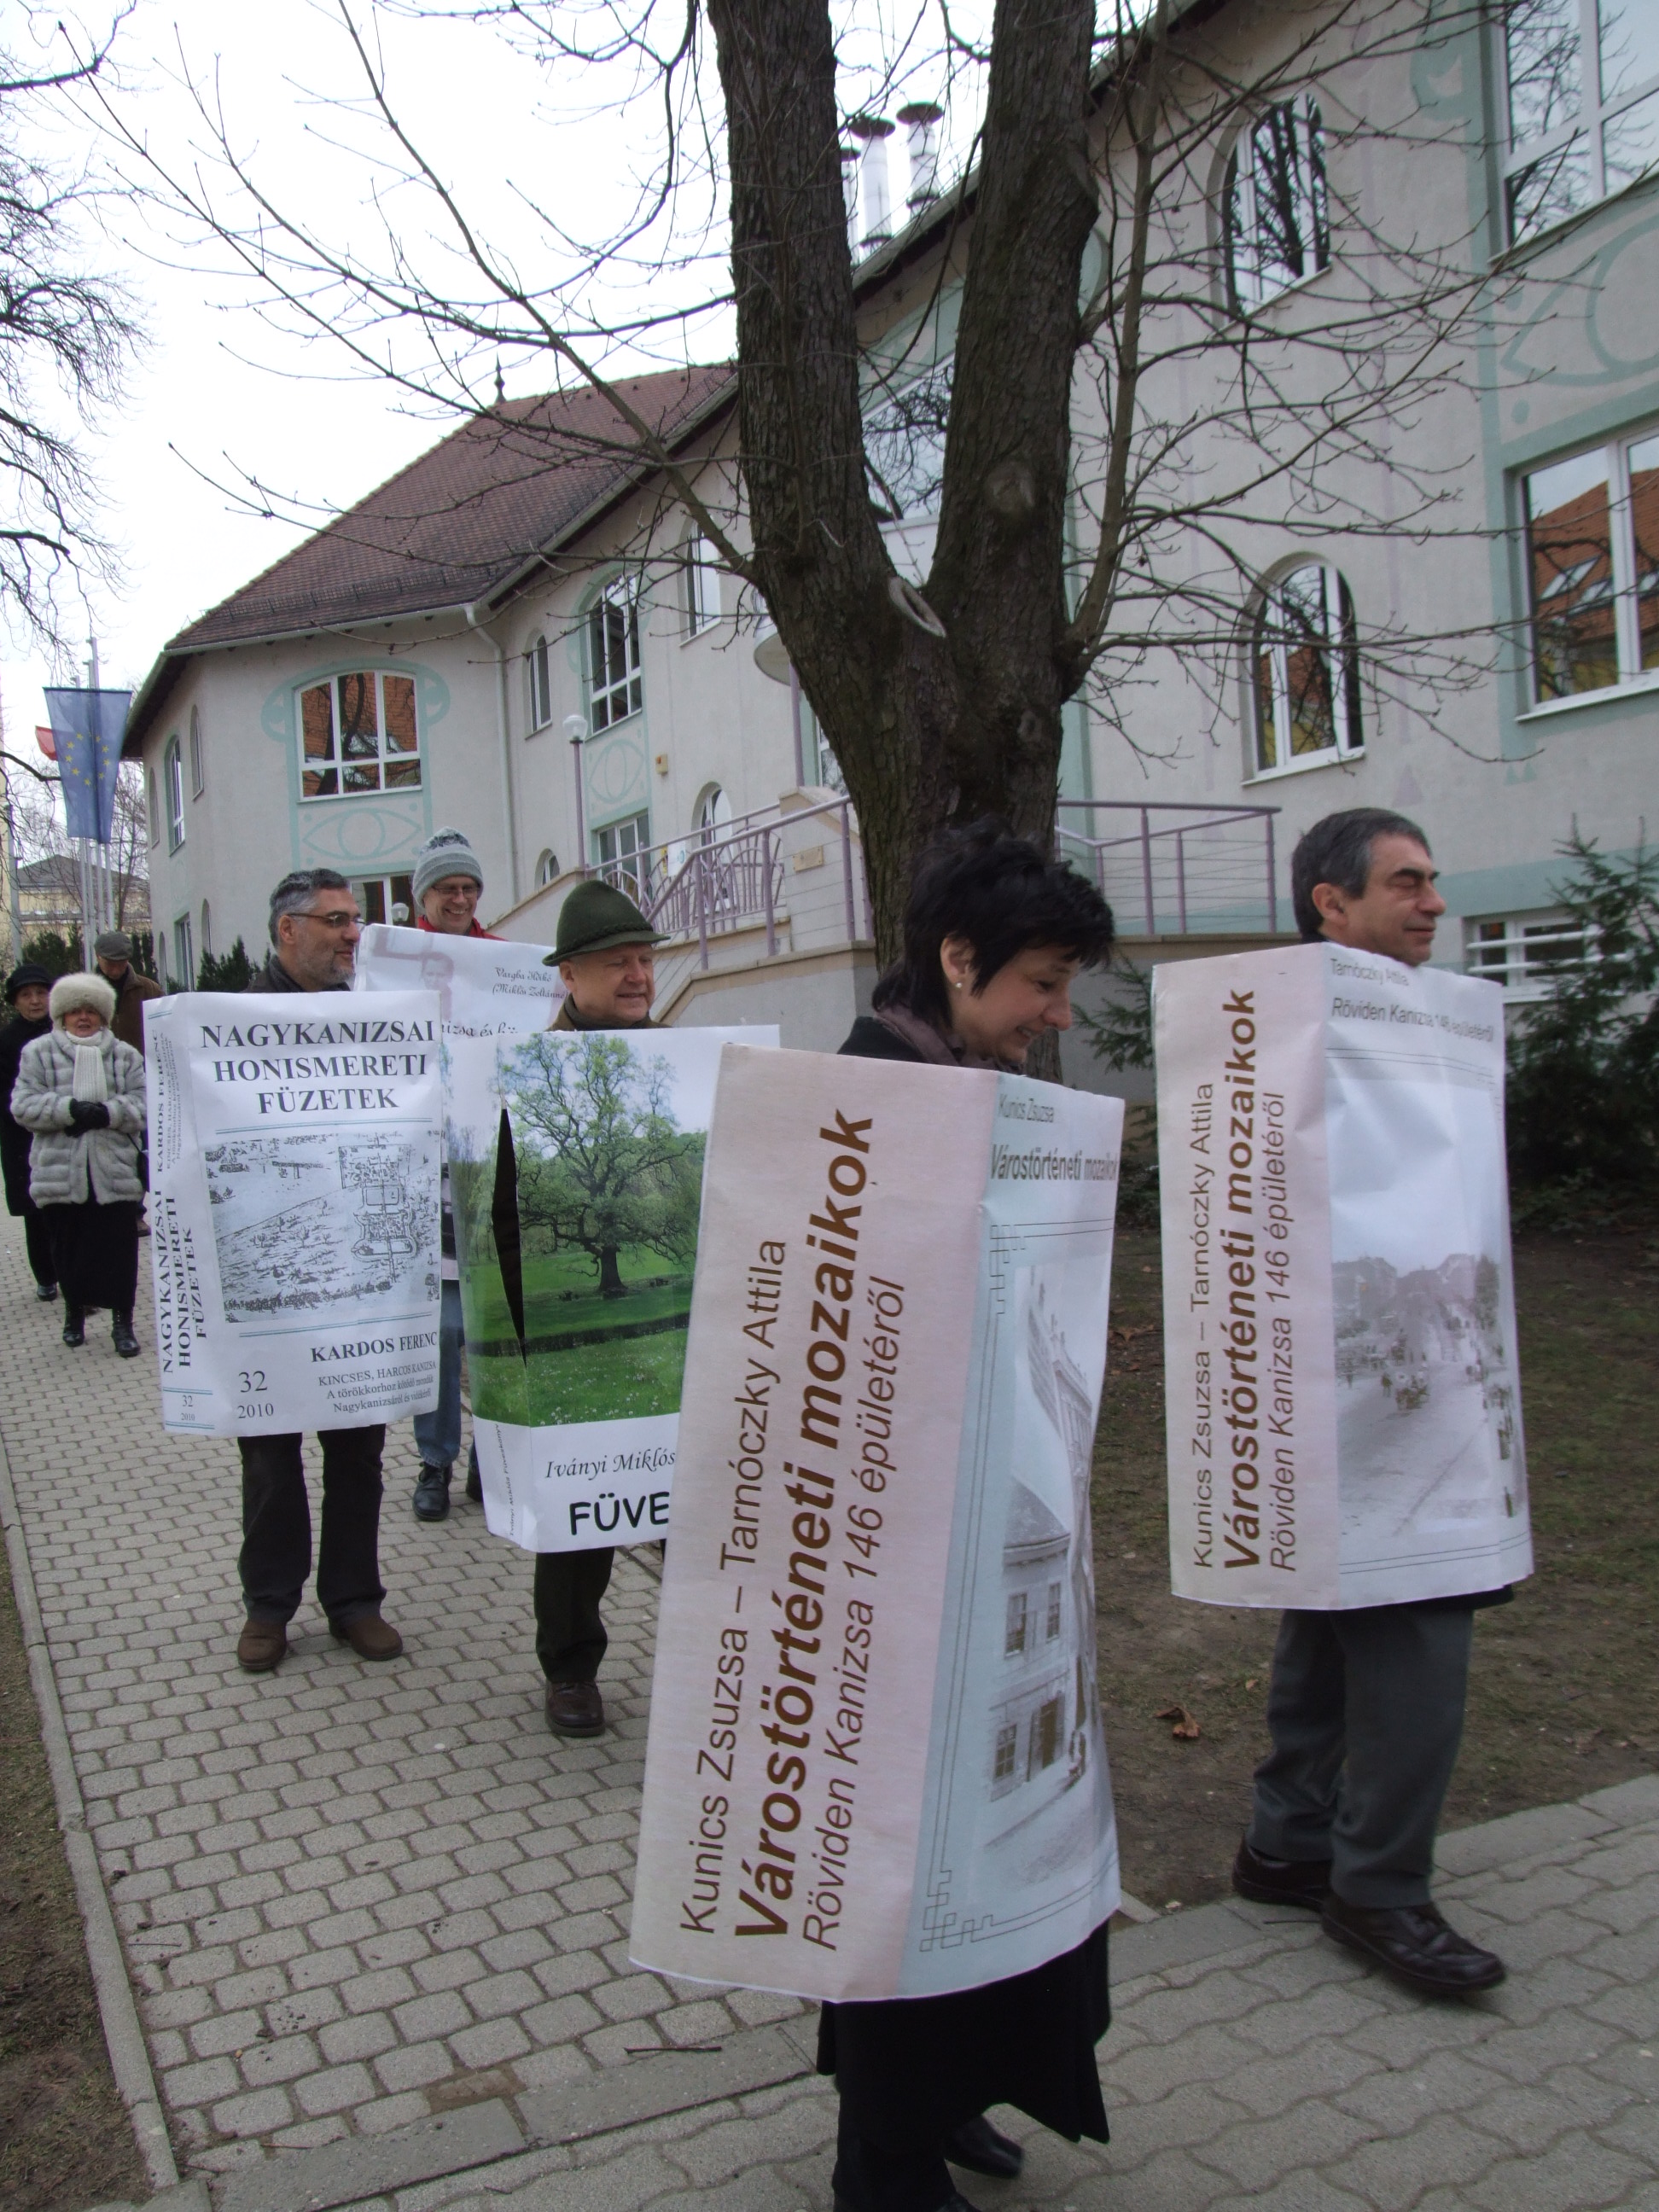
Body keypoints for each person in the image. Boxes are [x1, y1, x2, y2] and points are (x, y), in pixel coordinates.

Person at [824, 820, 1118, 2212]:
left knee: (989, 1844)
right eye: (1041, 984)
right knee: (900, 1859)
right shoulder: (862, 1104)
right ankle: (879, 2156)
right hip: (897, 1575)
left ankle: (950, 2098)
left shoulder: (983, 1093)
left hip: (997, 1542)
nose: (1057, 1015)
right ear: (957, 959)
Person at [1231, 806, 1508, 1998]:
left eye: (1434, 878)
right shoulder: (1292, 1030)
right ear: (1330, 904)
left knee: (1330, 1609)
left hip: (1356, 1381)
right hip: (1366, 1388)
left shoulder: (1400, 1021)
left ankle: (1289, 1844)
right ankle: (1380, 1890)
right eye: (1406, 882)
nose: (1433, 901)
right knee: (1416, 1630)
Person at [489, 876, 662, 1738]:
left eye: (645, 959)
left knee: (702, 1503)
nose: (638, 976)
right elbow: (505, 1214)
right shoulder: (532, 1075)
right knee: (581, 1512)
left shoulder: (688, 1056)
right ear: (569, 976)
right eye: (616, 962)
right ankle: (570, 1669)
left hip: (692, 1334)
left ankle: (711, 1657)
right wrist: (526, 1334)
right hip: (576, 1349)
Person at [235, 870, 403, 1674]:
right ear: (287, 930)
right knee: (270, 1457)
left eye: (354, 921)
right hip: (269, 1287)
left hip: (358, 1282)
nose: (351, 935)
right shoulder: (228, 1025)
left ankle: (354, 1601)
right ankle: (269, 1606)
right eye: (335, 920)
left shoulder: (372, 1016)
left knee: (359, 1451)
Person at [407, 829, 498, 1522]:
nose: (460, 899)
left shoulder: (505, 963)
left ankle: (488, 1461)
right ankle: (434, 1460)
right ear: (424, 898)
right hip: (424, 1171)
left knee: (494, 1328)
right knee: (441, 1332)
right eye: (447, 889)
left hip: (492, 1167)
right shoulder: (394, 964)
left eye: (469, 888)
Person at [11, 972, 146, 1353]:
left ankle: (123, 1322)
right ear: (61, 1016)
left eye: (91, 1010)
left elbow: (145, 1103)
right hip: (60, 1173)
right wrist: (68, 1109)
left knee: (119, 1253)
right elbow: (23, 1105)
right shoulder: (38, 1053)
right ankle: (74, 1314)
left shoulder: (125, 1055)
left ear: (103, 1015)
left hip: (115, 1173)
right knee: (68, 1251)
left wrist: (108, 1113)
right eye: (75, 1011)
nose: (83, 1017)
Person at [1, 963, 59, 1301]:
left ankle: (73, 1276)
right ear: (15, 1001)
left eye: (41, 993)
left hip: (64, 1134)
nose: (35, 1000)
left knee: (68, 1211)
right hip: (24, 1138)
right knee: (36, 1213)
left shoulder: (64, 1031)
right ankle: (46, 1277)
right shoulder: (7, 1040)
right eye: (26, 995)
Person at [95, 929, 164, 1053]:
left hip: (139, 1063)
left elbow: (165, 1028)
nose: (116, 970)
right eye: (110, 964)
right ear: (97, 957)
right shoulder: (83, 992)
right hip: (98, 1063)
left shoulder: (150, 990)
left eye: (121, 963)